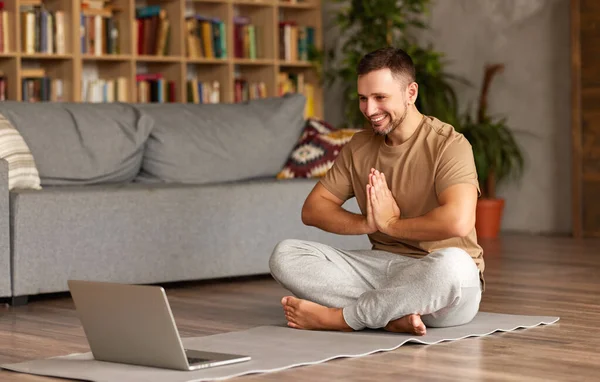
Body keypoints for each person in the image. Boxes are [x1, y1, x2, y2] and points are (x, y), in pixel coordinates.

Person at [269, 47, 485, 336]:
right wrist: (368, 224)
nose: (370, 110)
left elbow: (458, 221)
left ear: (411, 93)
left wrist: (392, 225)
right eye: (363, 98)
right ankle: (389, 315)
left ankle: (342, 318)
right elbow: (313, 209)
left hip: (441, 278)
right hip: (383, 267)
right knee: (286, 254)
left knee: (455, 266)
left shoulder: (449, 144)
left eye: (380, 97)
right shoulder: (359, 147)